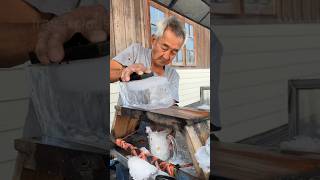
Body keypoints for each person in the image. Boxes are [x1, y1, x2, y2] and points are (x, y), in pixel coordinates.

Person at [109, 16, 186, 180]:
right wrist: (125, 71)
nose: (167, 56)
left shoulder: (172, 76)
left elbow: (171, 109)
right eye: (164, 47)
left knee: (151, 172)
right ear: (153, 40)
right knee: (126, 169)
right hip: (127, 131)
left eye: (174, 52)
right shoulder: (136, 53)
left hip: (155, 135)